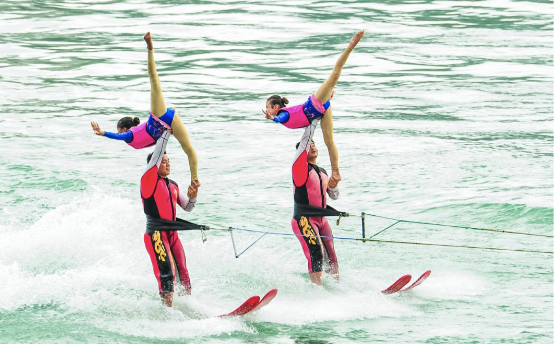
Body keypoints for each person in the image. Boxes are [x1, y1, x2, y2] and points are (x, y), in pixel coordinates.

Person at [91, 32, 200, 186]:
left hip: (159, 117)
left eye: (120, 130)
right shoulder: (137, 137)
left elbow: (118, 137)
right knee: (188, 149)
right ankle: (195, 180)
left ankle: (150, 48)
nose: (121, 133)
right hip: (169, 124)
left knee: (154, 80)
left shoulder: (129, 136)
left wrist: (103, 133)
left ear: (124, 129)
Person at [262, 30, 365, 187]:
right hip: (321, 111)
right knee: (329, 141)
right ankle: (336, 172)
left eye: (268, 108)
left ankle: (351, 45)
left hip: (316, 103)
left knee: (334, 76)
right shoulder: (285, 115)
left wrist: (273, 118)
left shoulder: (283, 115)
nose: (267, 111)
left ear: (276, 107)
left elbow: (280, 118)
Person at [142, 131, 198, 307]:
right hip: (157, 235)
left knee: (184, 273)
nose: (167, 164)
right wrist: (165, 133)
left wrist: (194, 196)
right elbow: (157, 154)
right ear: (155, 165)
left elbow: (187, 207)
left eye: (168, 161)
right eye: (163, 161)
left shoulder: (172, 185)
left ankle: (188, 307)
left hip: (172, 235)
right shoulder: (148, 181)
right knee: (168, 275)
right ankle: (167, 311)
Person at [291, 119, 340, 285]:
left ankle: (336, 286)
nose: (312, 146)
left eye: (314, 144)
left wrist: (334, 187)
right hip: (304, 219)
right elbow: (305, 141)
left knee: (331, 255)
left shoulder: (323, 171)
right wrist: (313, 118)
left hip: (321, 220)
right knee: (317, 253)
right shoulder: (300, 170)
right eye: (308, 145)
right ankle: (316, 291)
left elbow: (333, 196)